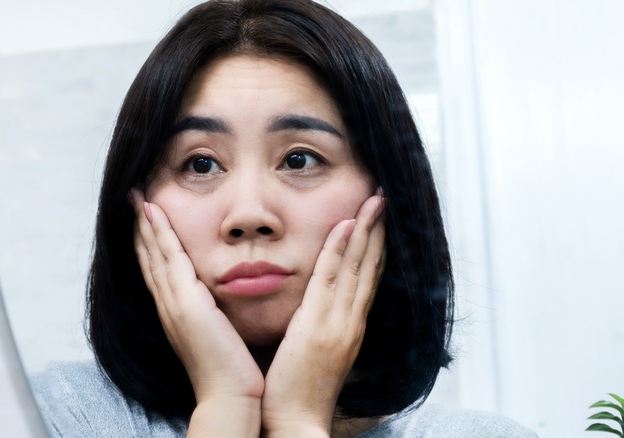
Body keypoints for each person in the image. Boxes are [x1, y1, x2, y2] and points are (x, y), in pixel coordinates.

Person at [31, 0, 536, 436]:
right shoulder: (52, 414)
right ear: (136, 204)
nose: (249, 215)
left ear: (387, 195)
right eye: (200, 163)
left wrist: (298, 421)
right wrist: (226, 407)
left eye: (299, 159)